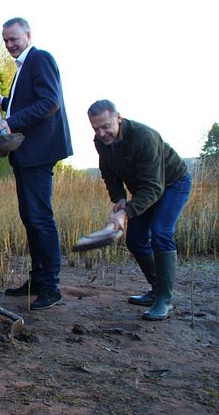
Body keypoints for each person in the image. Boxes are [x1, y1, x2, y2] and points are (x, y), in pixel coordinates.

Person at [0, 18, 72, 310]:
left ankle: (51, 287)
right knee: (30, 217)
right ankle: (38, 280)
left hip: (39, 152)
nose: (10, 44)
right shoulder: (24, 67)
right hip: (26, 154)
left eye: (14, 39)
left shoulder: (40, 59)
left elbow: (50, 102)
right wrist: (5, 102)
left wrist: (10, 122)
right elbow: (28, 102)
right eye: (6, 41)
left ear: (27, 35)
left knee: (40, 218)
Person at [88, 100, 191, 320]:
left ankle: (165, 299)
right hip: (146, 189)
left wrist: (124, 214)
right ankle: (156, 289)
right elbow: (109, 173)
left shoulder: (144, 137)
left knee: (161, 232)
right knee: (135, 239)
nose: (101, 133)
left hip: (174, 184)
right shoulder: (100, 142)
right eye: (96, 128)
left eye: (106, 126)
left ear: (118, 118)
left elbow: (154, 187)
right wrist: (120, 199)